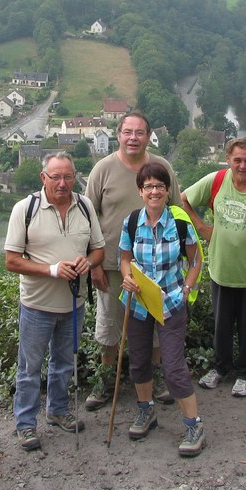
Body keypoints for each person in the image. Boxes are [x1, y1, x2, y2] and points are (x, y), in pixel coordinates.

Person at [5, 152, 105, 451]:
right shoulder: (25, 209)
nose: (62, 183)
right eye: (56, 177)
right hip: (37, 305)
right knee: (29, 368)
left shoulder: (85, 206)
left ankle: (58, 411)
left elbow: (99, 249)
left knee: (64, 364)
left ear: (75, 177)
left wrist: (88, 262)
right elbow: (11, 260)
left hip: (73, 304)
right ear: (43, 177)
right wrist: (51, 270)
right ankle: (25, 425)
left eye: (68, 177)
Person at [84, 111, 181, 410]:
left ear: (148, 135)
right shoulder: (103, 169)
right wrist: (95, 264)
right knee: (109, 325)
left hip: (156, 268)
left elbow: (177, 209)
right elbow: (88, 219)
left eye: (139, 132)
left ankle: (154, 377)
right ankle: (107, 379)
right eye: (128, 131)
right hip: (112, 266)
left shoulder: (161, 167)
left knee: (153, 325)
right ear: (118, 135)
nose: (133, 137)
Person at [181, 137, 246, 398]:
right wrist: (202, 227)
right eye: (238, 160)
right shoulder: (216, 181)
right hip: (222, 268)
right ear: (228, 159)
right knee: (222, 324)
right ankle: (220, 368)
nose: (243, 165)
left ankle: (245, 373)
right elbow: (184, 199)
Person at [118, 163, 206, 456]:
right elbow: (125, 258)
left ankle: (194, 425)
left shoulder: (180, 224)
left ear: (168, 191)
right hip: (139, 303)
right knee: (139, 361)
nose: (154, 191)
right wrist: (127, 277)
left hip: (171, 302)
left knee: (173, 366)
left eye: (159, 186)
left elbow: (196, 262)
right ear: (140, 191)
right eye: (148, 187)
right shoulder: (131, 222)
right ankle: (146, 411)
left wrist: (187, 289)